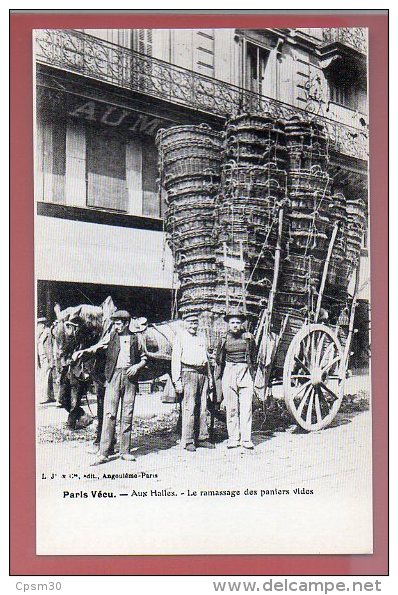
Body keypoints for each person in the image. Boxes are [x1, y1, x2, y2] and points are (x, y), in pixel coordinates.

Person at [82, 310, 147, 464]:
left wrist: (136, 367)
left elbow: (144, 358)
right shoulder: (111, 336)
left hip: (130, 378)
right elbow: (98, 346)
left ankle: (125, 451)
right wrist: (83, 351)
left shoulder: (136, 338)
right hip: (113, 377)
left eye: (118, 324)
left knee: (127, 414)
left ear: (126, 323)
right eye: (115, 324)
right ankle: (104, 452)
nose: (116, 327)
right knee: (109, 414)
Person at [214, 309, 258, 450]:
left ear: (242, 324)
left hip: (245, 371)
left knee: (246, 407)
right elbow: (218, 359)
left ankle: (246, 439)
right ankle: (233, 438)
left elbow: (254, 355)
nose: (235, 325)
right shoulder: (223, 339)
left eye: (238, 322)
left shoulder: (249, 338)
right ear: (228, 324)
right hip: (229, 371)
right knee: (232, 407)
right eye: (232, 322)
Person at [171, 313, 215, 452]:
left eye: (195, 323)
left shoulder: (201, 337)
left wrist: (210, 378)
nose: (193, 325)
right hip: (188, 373)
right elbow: (175, 360)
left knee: (203, 407)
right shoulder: (180, 337)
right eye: (190, 323)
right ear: (185, 323)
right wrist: (177, 381)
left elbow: (206, 359)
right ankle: (188, 440)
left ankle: (203, 438)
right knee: (189, 407)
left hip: (202, 374)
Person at [36, 317, 55, 404]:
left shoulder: (47, 333)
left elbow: (50, 347)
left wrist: (51, 360)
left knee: (44, 378)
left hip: (47, 358)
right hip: (42, 359)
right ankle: (51, 396)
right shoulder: (40, 334)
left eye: (38, 325)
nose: (37, 327)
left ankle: (44, 397)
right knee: (48, 377)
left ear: (42, 325)